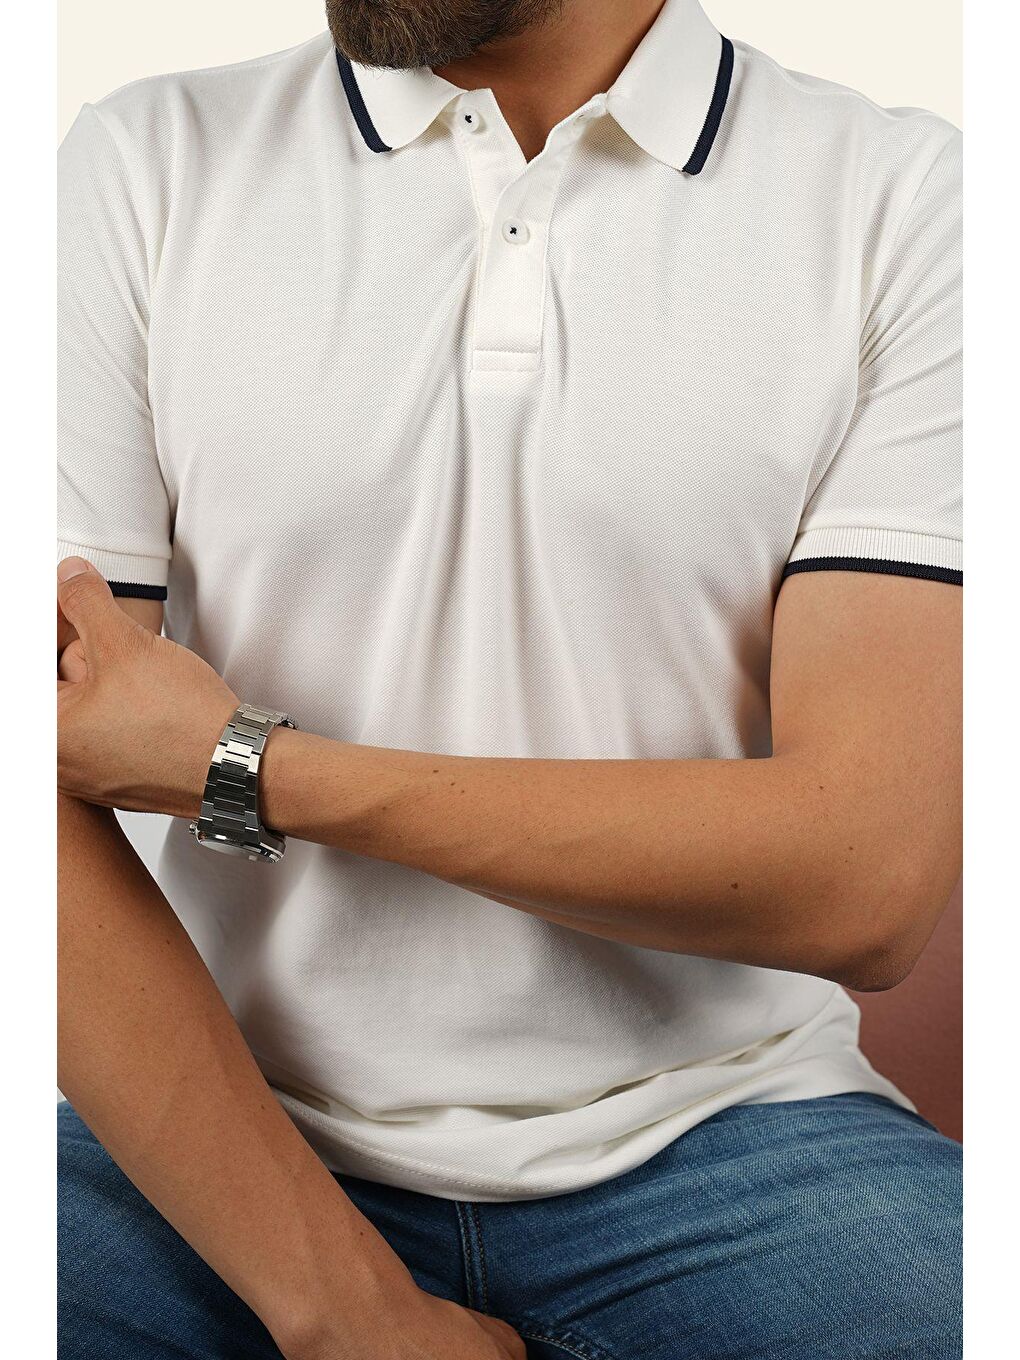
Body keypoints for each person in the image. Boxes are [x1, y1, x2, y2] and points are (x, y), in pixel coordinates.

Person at [56, 1, 963, 1356]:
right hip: (206, 1127)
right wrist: (345, 1310)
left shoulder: (905, 201)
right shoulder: (144, 161)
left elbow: (864, 880)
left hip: (726, 1127)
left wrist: (246, 765)